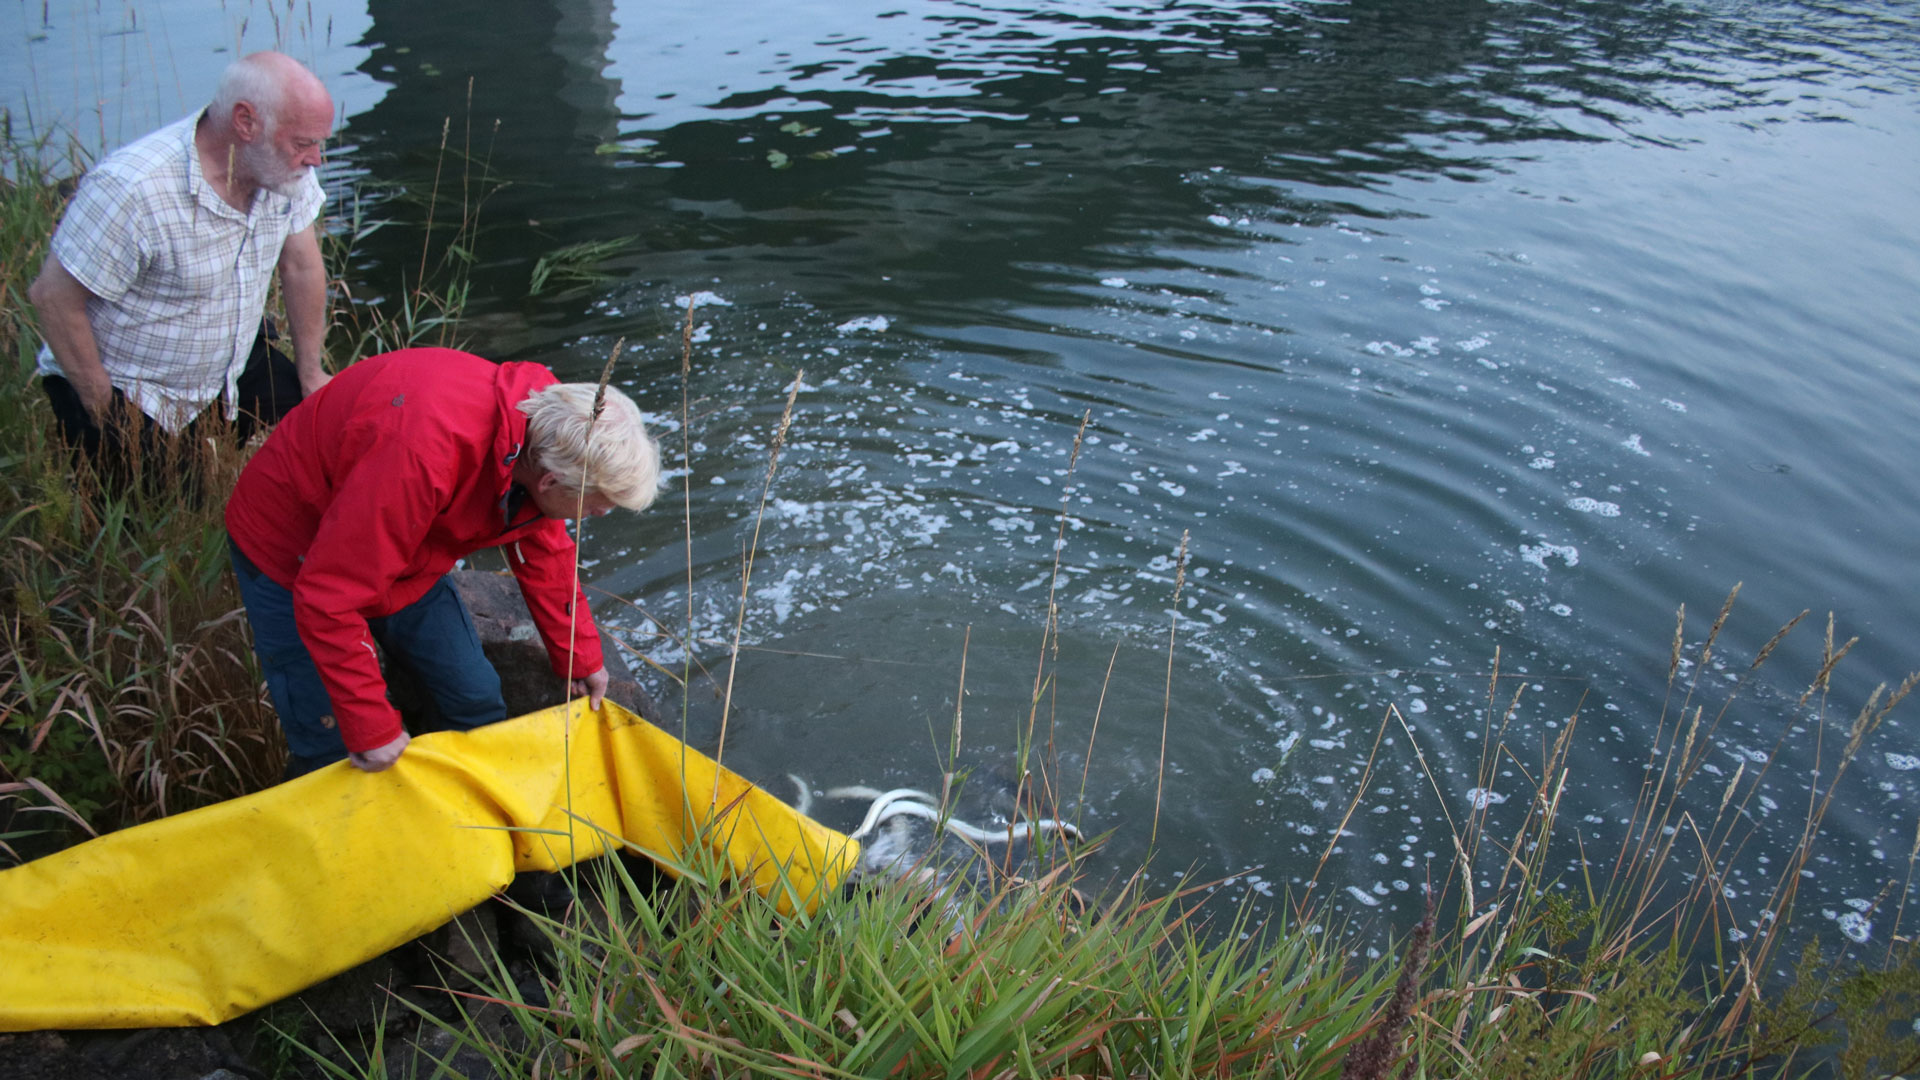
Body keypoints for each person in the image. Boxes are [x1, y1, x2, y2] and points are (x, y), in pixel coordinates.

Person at [224, 347, 661, 776]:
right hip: (292, 549)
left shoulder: (548, 429)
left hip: (407, 550)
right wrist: (373, 726)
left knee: (474, 700)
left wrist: (580, 658)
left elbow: (542, 542)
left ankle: (464, 824)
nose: (598, 516)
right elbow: (327, 596)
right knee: (331, 748)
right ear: (549, 481)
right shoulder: (422, 455)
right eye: (596, 507)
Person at [26, 50, 334, 482]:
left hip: (231, 366)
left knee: (332, 428)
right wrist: (107, 414)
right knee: (160, 514)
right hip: (132, 387)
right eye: (303, 143)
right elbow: (53, 298)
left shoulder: (285, 170)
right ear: (245, 122)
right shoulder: (133, 189)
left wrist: (311, 371)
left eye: (318, 143)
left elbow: (301, 266)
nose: (316, 159)